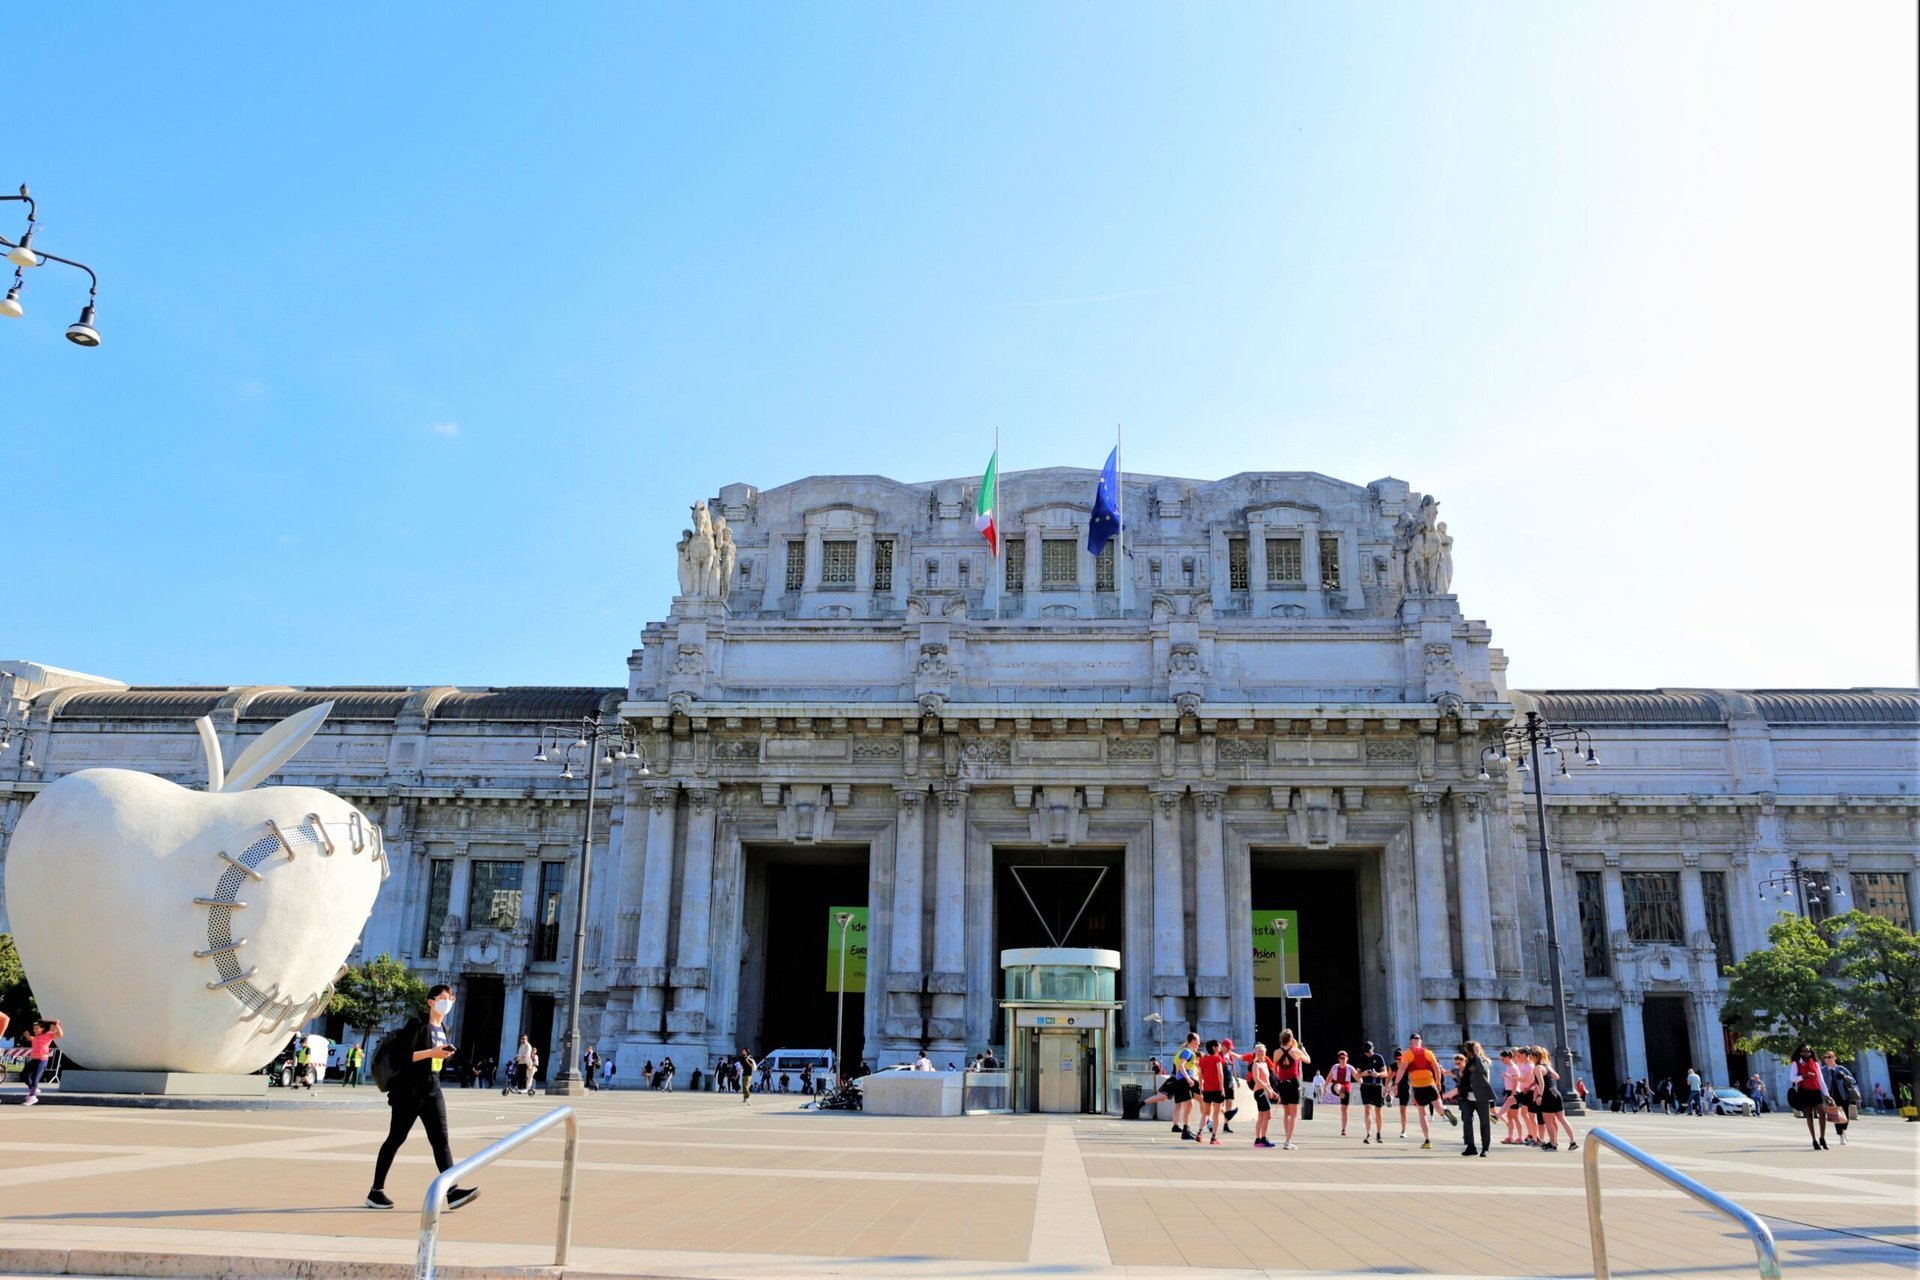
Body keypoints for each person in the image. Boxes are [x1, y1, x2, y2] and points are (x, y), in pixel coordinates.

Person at [366, 985, 478, 1212]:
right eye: (443, 997)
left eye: (451, 998)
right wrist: (432, 1053)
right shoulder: (417, 1025)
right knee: (395, 1139)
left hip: (432, 1088)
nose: (447, 1001)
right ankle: (376, 1192)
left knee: (441, 1141)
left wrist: (445, 1056)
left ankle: (452, 1191)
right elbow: (403, 1056)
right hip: (409, 1090)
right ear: (431, 1002)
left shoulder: (444, 1028)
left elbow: (437, 1063)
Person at [1390, 1033, 1445, 1150]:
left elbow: (1401, 1069)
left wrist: (1395, 1084)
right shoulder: (1428, 1053)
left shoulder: (1408, 1054)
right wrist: (1438, 1083)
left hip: (1418, 1087)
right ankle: (1444, 1111)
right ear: (1421, 1042)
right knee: (1439, 1108)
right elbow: (1437, 1068)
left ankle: (1427, 1140)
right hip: (1430, 1084)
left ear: (1410, 1042)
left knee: (1422, 1114)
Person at [1529, 1046, 1578, 1152]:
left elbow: (1541, 1084)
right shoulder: (1546, 1065)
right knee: (1562, 1119)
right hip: (1556, 1092)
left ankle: (1552, 1143)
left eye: (1530, 1056)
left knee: (1548, 1121)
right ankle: (1573, 1142)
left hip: (1547, 1095)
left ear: (1534, 1056)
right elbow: (1556, 1076)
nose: (1529, 1058)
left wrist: (1539, 1096)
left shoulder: (1537, 1068)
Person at [1269, 1029, 1312, 1150]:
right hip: (1293, 1083)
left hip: (1282, 1083)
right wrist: (1304, 1050)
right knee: (1294, 1114)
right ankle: (1288, 1141)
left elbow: (1274, 1070)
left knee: (1286, 1113)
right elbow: (1308, 1060)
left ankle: (1287, 1139)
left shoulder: (1276, 1052)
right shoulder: (1296, 1051)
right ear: (1291, 1038)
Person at [1453, 1042, 1496, 1157]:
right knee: (1467, 1121)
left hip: (1481, 1096)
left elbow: (1482, 1069)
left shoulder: (1485, 1060)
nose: (1468, 1052)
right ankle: (1470, 1146)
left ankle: (1485, 1148)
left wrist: (1477, 1054)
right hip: (1467, 1096)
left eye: (1470, 1050)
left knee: (1484, 1123)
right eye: (1468, 1050)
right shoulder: (1467, 1063)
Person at [1787, 1044, 1827, 1150]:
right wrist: (1803, 1076)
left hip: (1816, 1090)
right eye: (1804, 1051)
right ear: (1800, 1052)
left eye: (1808, 1051)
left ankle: (1822, 1137)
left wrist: (1827, 1094)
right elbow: (1792, 1078)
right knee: (1809, 1115)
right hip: (1804, 1091)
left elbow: (1821, 1080)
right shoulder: (1796, 1063)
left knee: (1822, 1113)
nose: (1806, 1053)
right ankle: (1814, 1139)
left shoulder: (1815, 1063)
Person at [19, 1018, 61, 1106]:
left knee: (35, 1077)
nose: (35, 1030)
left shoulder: (48, 1034)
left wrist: (56, 1025)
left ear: (42, 1028)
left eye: (37, 1028)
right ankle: (34, 1089)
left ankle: (32, 1097)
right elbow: (33, 1040)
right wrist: (28, 1036)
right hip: (33, 1059)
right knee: (23, 1074)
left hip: (42, 1060)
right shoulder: (36, 1036)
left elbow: (60, 1034)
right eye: (34, 1028)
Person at [1246, 1043, 1281, 1148]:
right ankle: (1262, 1139)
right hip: (1259, 1092)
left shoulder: (1265, 1064)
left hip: (1263, 1091)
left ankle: (1259, 1139)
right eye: (1259, 1050)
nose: (1261, 1052)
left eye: (1263, 1050)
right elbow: (1257, 1079)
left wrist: (1272, 1091)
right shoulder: (1255, 1064)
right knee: (1267, 1114)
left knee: (1262, 1116)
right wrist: (1267, 1090)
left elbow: (1267, 1081)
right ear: (1255, 1052)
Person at [1822, 1052, 1858, 1145]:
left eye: (1829, 1057)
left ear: (1834, 1058)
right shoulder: (1822, 1070)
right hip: (1831, 1098)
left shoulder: (1840, 1068)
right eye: (1825, 1057)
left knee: (1845, 1116)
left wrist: (1844, 1076)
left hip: (1843, 1095)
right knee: (1836, 1117)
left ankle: (1844, 1130)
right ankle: (1841, 1135)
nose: (1827, 1059)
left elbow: (1853, 1080)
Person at [1356, 1040, 1388, 1144]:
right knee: (1367, 1109)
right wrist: (1364, 1073)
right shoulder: (1361, 1058)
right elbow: (1357, 1074)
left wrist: (1377, 1074)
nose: (1368, 1053)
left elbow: (1385, 1073)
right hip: (1366, 1086)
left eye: (1369, 1051)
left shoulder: (1378, 1058)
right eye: (1366, 1052)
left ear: (1372, 1049)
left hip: (1377, 1086)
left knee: (1378, 1110)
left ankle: (1379, 1133)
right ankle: (1368, 1134)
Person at [1326, 1050, 1359, 1136]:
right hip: (1336, 1086)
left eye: (1344, 1058)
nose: (1342, 1060)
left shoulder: (1350, 1068)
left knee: (1344, 1110)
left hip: (1346, 1087)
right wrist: (1324, 1087)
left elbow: (1357, 1077)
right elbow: (1329, 1077)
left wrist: (1362, 1083)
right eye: (1340, 1058)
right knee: (1338, 1086)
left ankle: (1344, 1129)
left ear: (1347, 1059)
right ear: (1338, 1059)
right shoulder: (1335, 1067)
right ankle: (1340, 1092)